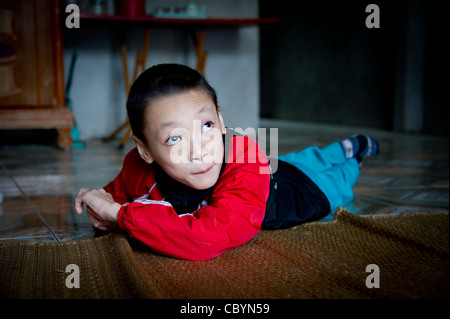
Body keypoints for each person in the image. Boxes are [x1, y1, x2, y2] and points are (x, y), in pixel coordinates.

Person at [75, 63, 379, 261]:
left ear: (220, 120)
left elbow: (206, 239)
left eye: (206, 126)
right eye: (174, 139)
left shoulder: (244, 155)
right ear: (144, 150)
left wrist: (121, 215)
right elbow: (115, 194)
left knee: (337, 177)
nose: (200, 150)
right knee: (292, 161)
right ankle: (344, 149)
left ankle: (353, 153)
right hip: (267, 171)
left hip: (303, 192)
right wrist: (101, 206)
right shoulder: (137, 167)